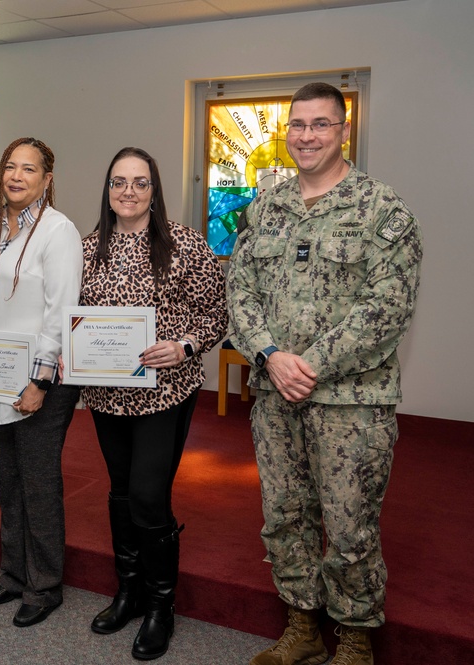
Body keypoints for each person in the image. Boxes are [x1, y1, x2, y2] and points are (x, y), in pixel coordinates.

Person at [227, 82, 422, 665]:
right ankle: (302, 626)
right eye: (297, 125)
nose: (305, 136)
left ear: (343, 130)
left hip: (351, 403)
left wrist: (307, 364)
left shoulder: (381, 208)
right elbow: (239, 290)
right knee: (284, 514)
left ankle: (355, 638)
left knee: (350, 524)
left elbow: (387, 307)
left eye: (319, 124)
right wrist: (269, 355)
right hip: (274, 395)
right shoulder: (267, 208)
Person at [79, 147, 227, 660]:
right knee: (120, 493)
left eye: (140, 182)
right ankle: (130, 590)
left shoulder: (183, 243)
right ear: (108, 188)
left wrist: (183, 346)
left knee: (146, 494)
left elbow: (217, 313)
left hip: (166, 390)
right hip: (105, 394)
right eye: (118, 181)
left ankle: (162, 604)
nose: (128, 191)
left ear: (154, 189)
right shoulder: (87, 248)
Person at [0, 137, 82, 627]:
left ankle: (44, 585)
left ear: (47, 179)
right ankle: (12, 573)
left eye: (30, 169)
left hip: (39, 380)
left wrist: (41, 380)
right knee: (7, 481)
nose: (17, 176)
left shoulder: (58, 231)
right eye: (10, 166)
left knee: (39, 481)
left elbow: (60, 311)